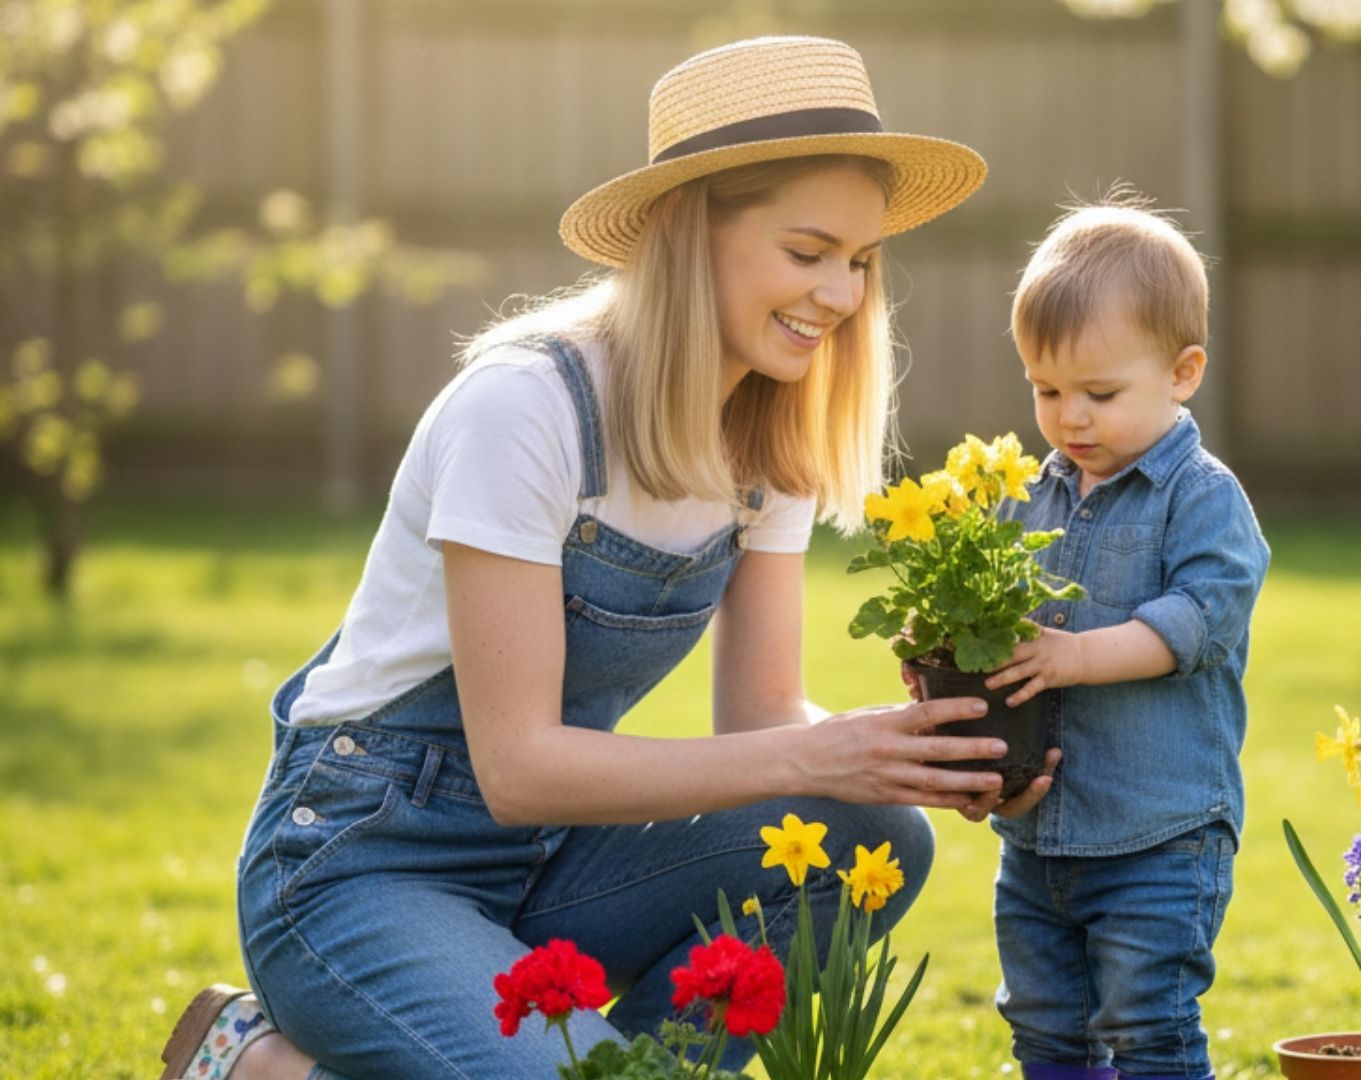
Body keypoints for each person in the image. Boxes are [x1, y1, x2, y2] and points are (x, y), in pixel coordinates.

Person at [158, 36, 1054, 1080]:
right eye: (807, 253)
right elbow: (521, 765)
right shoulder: (524, 410)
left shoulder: (766, 439)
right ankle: (259, 1062)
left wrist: (925, 755)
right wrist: (819, 753)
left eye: (858, 262)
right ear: (692, 233)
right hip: (362, 861)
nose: (842, 296)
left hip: (552, 866)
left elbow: (763, 717)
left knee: (878, 836)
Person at [981, 195, 1270, 1080]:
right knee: (1043, 1024)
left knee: (1148, 1022)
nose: (1070, 419)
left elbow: (1203, 615)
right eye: (1046, 389)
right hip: (1038, 835)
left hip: (1160, 833)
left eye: (1100, 394)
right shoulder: (1031, 491)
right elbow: (987, 627)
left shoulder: (1201, 495)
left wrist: (1076, 655)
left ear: (1183, 373)